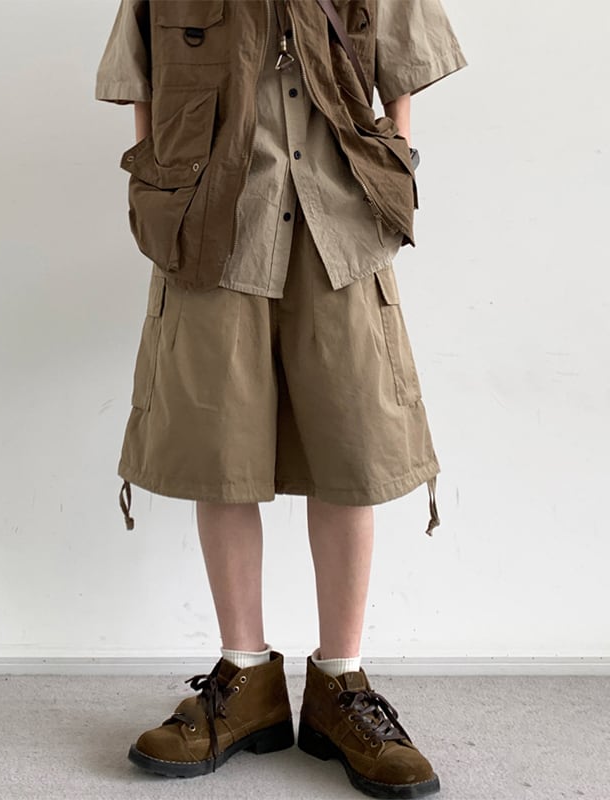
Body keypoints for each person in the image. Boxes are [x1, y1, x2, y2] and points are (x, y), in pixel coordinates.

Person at [94, 1, 466, 797]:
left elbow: (405, 58)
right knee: (219, 451)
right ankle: (247, 683)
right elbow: (140, 75)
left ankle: (342, 686)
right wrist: (159, 181)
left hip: (343, 218)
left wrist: (395, 154)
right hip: (212, 222)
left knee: (354, 450)